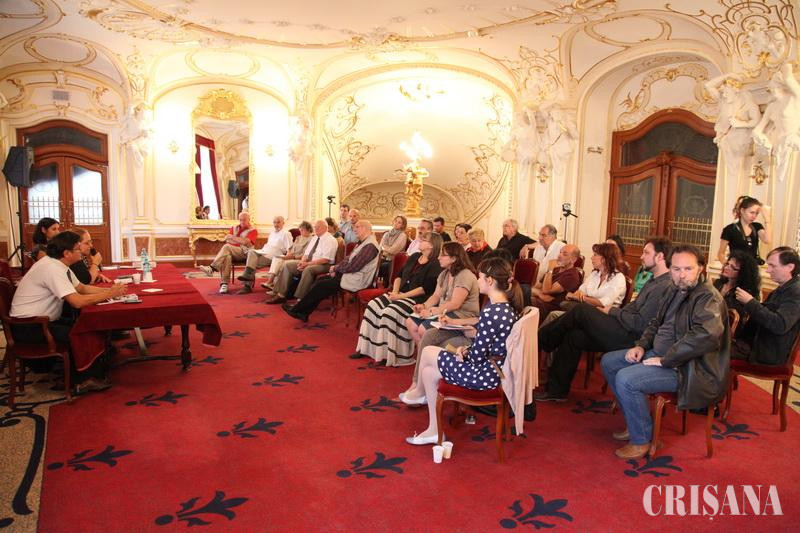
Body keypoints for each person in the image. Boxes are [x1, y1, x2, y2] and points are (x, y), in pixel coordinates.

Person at [601, 244, 729, 459]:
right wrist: (641, 345)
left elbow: (705, 336)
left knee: (626, 379)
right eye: (676, 269)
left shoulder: (708, 297)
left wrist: (666, 359)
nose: (682, 275)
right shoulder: (673, 288)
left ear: (700, 268)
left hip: (690, 368)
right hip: (662, 356)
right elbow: (655, 323)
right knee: (609, 362)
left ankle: (642, 440)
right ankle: (636, 422)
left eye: (688, 269)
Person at [399, 257, 523, 445]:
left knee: (429, 351)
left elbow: (476, 358)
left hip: (484, 375)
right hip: (495, 369)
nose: (477, 280)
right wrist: (467, 349)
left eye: (480, 277)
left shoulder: (492, 312)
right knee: (428, 372)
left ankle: (419, 393)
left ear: (490, 281)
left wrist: (464, 353)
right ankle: (433, 429)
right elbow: (487, 344)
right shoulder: (505, 308)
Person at [536, 237, 672, 401]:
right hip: (623, 326)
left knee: (581, 310)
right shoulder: (653, 280)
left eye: (646, 253)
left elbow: (640, 324)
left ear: (660, 257)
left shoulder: (663, 286)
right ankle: (556, 391)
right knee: (574, 336)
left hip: (633, 338)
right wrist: (615, 313)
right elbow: (632, 308)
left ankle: (539, 340)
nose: (641, 256)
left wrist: (612, 311)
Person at [9, 231, 127, 391]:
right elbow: (77, 301)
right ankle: (83, 380)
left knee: (86, 325)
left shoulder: (58, 264)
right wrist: (109, 294)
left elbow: (81, 288)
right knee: (82, 332)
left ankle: (89, 371)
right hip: (29, 327)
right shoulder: (52, 268)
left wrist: (110, 291)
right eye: (77, 249)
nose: (81, 252)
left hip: (41, 321)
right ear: (66, 253)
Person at [350, 233, 443, 366]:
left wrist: (400, 296)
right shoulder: (415, 256)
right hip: (399, 293)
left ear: (432, 245)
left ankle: (387, 355)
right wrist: (394, 292)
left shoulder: (435, 264)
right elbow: (399, 276)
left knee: (390, 313)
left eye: (424, 239)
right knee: (373, 306)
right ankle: (366, 349)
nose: (421, 240)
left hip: (416, 299)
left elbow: (424, 289)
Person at [400, 242, 482, 393]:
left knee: (423, 329)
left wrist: (432, 312)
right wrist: (424, 306)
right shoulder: (444, 273)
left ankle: (420, 376)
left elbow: (455, 304)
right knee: (410, 322)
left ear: (454, 258)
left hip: (462, 315)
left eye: (442, 255)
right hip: (445, 311)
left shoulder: (464, 275)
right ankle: (425, 359)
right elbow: (436, 296)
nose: (438, 258)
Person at [282, 220, 379, 322]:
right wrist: (336, 267)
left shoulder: (370, 246)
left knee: (321, 285)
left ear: (365, 228)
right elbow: (347, 260)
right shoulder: (363, 242)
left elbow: (354, 266)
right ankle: (302, 312)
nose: (354, 229)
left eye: (357, 227)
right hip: (350, 275)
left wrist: (336, 269)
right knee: (319, 282)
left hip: (357, 279)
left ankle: (298, 310)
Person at [732, 246, 800, 366]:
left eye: (772, 266)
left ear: (790, 267)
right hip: (754, 344)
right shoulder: (783, 289)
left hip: (765, 353)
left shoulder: (795, 292)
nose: (768, 270)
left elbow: (779, 324)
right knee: (708, 346)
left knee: (708, 352)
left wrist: (750, 302)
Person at [265, 219, 337, 304]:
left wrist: (307, 264)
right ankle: (281, 295)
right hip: (311, 262)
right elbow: (306, 254)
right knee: (287, 265)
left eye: (318, 227)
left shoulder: (330, 240)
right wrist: (302, 262)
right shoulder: (315, 238)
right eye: (315, 227)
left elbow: (326, 259)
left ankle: (300, 300)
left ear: (325, 228)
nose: (315, 229)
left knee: (308, 270)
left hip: (324, 265)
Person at [199, 211, 258, 294]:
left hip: (245, 253)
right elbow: (228, 240)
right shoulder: (234, 228)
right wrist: (239, 240)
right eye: (240, 220)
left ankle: (212, 268)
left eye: (244, 220)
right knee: (227, 256)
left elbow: (245, 242)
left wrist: (233, 238)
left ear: (249, 219)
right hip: (232, 251)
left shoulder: (253, 230)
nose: (242, 222)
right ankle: (224, 284)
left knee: (227, 247)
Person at [235, 216, 294, 294]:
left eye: (278, 222)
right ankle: (248, 278)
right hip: (264, 252)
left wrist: (286, 258)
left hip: (273, 256)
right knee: (251, 253)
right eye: (274, 222)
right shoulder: (272, 233)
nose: (276, 224)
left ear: (283, 223)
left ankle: (247, 285)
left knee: (252, 262)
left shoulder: (286, 234)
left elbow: (290, 249)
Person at [564, 242, 626, 309]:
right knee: (561, 306)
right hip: (587, 309)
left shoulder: (618, 278)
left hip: (603, 313)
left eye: (595, 255)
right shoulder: (594, 274)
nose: (591, 258)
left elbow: (604, 304)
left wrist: (583, 298)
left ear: (605, 258)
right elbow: (580, 291)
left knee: (568, 307)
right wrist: (577, 295)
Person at [530, 244, 582, 320]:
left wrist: (550, 269)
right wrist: (539, 293)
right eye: (560, 252)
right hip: (540, 300)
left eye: (564, 254)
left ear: (573, 260)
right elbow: (535, 287)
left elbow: (546, 290)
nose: (559, 256)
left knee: (526, 297)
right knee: (521, 292)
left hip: (552, 307)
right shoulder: (556, 269)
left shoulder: (572, 275)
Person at [717, 195, 771, 265]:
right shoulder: (729, 229)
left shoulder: (757, 226)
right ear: (742, 210)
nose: (754, 216)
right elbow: (720, 253)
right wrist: (728, 266)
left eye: (756, 213)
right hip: (736, 267)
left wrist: (767, 218)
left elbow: (767, 240)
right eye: (752, 212)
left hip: (752, 268)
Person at [261, 221, 313, 290]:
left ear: (308, 230)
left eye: (302, 230)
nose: (301, 232)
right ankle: (272, 282)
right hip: (291, 256)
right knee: (277, 258)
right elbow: (292, 248)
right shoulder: (298, 238)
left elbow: (305, 254)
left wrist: (293, 257)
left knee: (281, 263)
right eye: (300, 230)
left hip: (299, 259)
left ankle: (272, 284)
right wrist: (288, 254)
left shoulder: (311, 240)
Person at [712, 250, 761, 321]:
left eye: (733, 268)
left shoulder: (743, 293)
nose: (726, 268)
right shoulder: (718, 282)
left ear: (743, 273)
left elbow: (733, 316)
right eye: (727, 264)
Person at [377, 215, 409, 282]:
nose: (396, 223)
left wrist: (385, 248)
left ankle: (386, 285)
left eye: (399, 222)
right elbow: (380, 247)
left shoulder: (402, 236)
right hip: (382, 258)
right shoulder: (387, 234)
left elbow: (393, 251)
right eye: (395, 221)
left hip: (393, 260)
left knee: (382, 266)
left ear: (403, 225)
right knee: (371, 263)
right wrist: (387, 249)